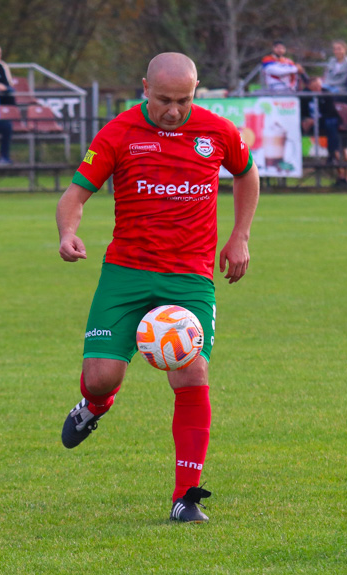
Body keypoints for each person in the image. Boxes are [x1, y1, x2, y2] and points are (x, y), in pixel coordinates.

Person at [56, 52, 259, 524]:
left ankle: (185, 497)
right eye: (164, 99)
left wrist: (240, 235)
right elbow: (75, 196)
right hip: (126, 273)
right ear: (145, 87)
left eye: (183, 100)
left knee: (191, 375)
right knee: (102, 376)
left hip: (189, 279)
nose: (173, 110)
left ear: (196, 89)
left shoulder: (217, 131)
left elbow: (247, 174)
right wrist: (68, 233)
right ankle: (94, 405)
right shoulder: (118, 133)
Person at [301, 77, 347, 186]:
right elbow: (301, 111)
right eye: (315, 87)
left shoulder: (326, 94)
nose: (318, 88)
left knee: (331, 123)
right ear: (309, 87)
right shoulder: (304, 96)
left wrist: (315, 121)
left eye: (319, 86)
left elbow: (331, 113)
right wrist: (305, 120)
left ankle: (333, 154)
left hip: (325, 122)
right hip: (311, 124)